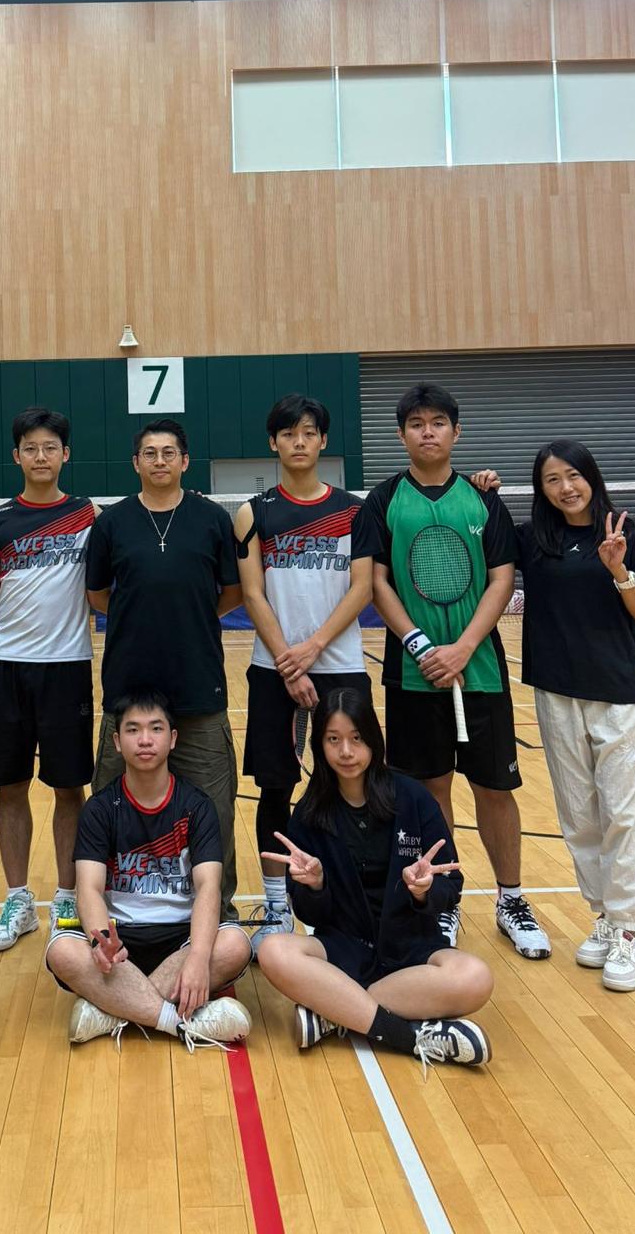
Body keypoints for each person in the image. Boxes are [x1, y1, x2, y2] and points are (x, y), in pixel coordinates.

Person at [362, 383, 551, 959]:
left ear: (456, 431)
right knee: (429, 791)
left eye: (438, 422)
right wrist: (421, 644)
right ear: (401, 435)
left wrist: (463, 648)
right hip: (413, 673)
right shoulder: (383, 500)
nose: (428, 431)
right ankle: (443, 902)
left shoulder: (483, 500)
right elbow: (375, 581)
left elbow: (502, 579)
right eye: (416, 423)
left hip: (480, 670)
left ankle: (511, 899)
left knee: (495, 788)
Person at [256, 690, 493, 1071]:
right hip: (343, 948)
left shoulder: (412, 798)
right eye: (333, 739)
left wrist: (424, 891)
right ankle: (405, 1035)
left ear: (373, 738)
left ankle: (336, 1011)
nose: (346, 751)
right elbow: (308, 913)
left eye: (356, 738)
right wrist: (315, 885)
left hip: (410, 949)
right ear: (320, 745)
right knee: (273, 951)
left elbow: (451, 886)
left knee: (476, 977)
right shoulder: (309, 813)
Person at [235, 393, 378, 952]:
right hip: (273, 670)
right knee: (276, 789)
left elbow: (361, 588)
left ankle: (341, 900)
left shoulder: (354, 511)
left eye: (309, 432)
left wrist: (313, 649)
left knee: (349, 783)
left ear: (323, 441)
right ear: (273, 442)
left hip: (340, 667)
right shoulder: (253, 513)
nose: (299, 441)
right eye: (289, 433)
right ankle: (277, 903)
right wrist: (287, 661)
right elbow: (252, 592)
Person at [516, 441, 635, 992]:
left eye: (573, 475)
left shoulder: (628, 531)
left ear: (591, 478)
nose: (565, 487)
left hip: (618, 693)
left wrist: (618, 569)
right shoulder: (534, 539)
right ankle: (602, 916)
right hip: (556, 691)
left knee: (622, 812)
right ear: (542, 490)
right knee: (579, 815)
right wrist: (483, 489)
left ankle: (627, 930)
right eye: (552, 480)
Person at [86, 419, 243, 918]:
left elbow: (232, 591)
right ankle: (109, 912)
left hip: (199, 691)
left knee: (215, 809)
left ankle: (219, 915)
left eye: (168, 452)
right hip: (128, 693)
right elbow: (97, 593)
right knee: (109, 804)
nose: (159, 461)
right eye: (150, 453)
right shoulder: (112, 523)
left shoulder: (211, 519)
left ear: (184, 461)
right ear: (136, 463)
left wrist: (192, 613)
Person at [44, 693, 252, 1050]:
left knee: (235, 944)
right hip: (121, 942)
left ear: (172, 739)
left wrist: (198, 956)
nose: (144, 740)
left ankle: (113, 1010)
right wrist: (100, 942)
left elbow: (209, 887)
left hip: (180, 940)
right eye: (133, 730)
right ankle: (178, 1022)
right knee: (61, 950)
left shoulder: (197, 806)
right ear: (116, 741)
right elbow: (89, 889)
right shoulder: (99, 809)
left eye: (156, 729)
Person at [0, 408, 96, 951]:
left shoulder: (89, 515)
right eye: (30, 447)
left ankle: (67, 898)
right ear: (16, 456)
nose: (40, 456)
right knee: (11, 784)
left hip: (67, 668)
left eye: (50, 447)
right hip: (7, 668)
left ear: (65, 454)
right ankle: (19, 899)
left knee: (70, 786)